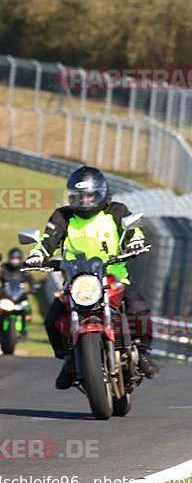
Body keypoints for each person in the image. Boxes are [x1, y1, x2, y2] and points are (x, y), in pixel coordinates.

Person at [25, 166, 159, 388]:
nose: (85, 200)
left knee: (138, 307)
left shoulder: (116, 210)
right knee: (53, 319)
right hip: (77, 281)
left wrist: (135, 241)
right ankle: (68, 360)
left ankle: (143, 353)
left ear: (101, 193)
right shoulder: (63, 215)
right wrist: (37, 255)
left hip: (114, 278)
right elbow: (49, 239)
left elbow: (132, 230)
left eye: (90, 195)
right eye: (79, 196)